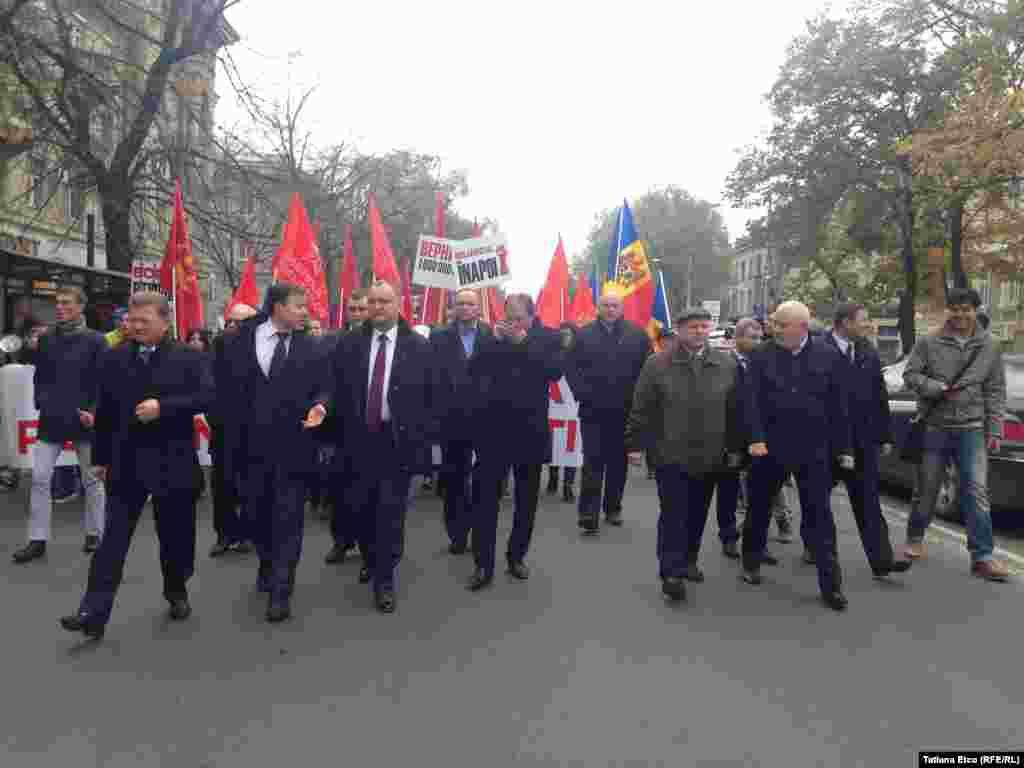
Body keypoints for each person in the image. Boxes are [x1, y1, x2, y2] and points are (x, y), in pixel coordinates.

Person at [59, 292, 213, 639]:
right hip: (126, 462)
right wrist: (100, 459)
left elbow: (207, 396)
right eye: (132, 321)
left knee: (175, 537)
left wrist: (165, 406)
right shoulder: (115, 358)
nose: (137, 327)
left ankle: (176, 589)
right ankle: (92, 612)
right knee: (111, 541)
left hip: (172, 462)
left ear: (165, 321)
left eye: (145, 321)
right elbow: (107, 411)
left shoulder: (189, 357)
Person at [220, 283, 331, 623]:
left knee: (288, 518)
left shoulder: (312, 347)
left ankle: (282, 587)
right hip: (249, 449)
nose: (304, 312)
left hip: (294, 448)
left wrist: (321, 407)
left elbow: (326, 387)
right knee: (256, 515)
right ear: (278, 307)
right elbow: (223, 390)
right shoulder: (238, 340)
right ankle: (267, 562)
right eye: (298, 306)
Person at [626, 307, 749, 601]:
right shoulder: (658, 364)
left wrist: (736, 449)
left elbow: (736, 411)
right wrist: (634, 445)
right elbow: (641, 406)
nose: (699, 332)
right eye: (693, 327)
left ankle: (688, 560)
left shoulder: (726, 364)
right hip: (670, 454)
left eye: (704, 327)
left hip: (712, 454)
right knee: (673, 514)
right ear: (679, 330)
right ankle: (670, 571)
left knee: (697, 513)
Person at [328, 281, 435, 613]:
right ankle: (371, 557)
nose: (378, 307)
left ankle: (384, 578)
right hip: (358, 440)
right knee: (362, 507)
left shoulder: (418, 347)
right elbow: (337, 391)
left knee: (390, 512)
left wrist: (423, 439)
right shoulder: (349, 344)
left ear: (398, 304)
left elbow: (431, 398)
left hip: (396, 442)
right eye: (372, 301)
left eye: (385, 301)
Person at [743, 300, 854, 612]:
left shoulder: (828, 356)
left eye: (780, 325)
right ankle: (751, 561)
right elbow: (749, 401)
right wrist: (755, 439)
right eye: (774, 324)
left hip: (813, 449)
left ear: (802, 328)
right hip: (770, 447)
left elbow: (839, 407)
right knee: (759, 507)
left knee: (819, 514)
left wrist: (844, 449)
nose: (773, 329)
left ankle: (831, 584)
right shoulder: (761, 355)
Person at [902, 288, 1010, 581]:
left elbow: (996, 390)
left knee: (976, 493)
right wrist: (933, 387)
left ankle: (982, 556)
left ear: (976, 310)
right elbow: (910, 375)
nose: (960, 315)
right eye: (955, 309)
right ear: (947, 310)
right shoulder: (928, 341)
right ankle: (914, 538)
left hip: (972, 428)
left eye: (966, 309)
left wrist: (996, 428)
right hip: (936, 426)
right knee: (927, 488)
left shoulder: (990, 346)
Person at [466, 293, 563, 591]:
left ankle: (516, 555)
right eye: (509, 317)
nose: (512, 323)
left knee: (526, 500)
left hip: (529, 432)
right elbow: (473, 370)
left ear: (531, 317)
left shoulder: (548, 337)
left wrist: (523, 342)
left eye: (518, 317)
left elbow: (553, 371)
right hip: (492, 430)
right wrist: (495, 341)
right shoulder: (490, 336)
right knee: (485, 499)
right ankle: (483, 563)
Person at [13, 286, 107, 564]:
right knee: (40, 479)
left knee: (92, 481)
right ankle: (37, 539)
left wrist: (92, 411)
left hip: (85, 420)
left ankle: (96, 533)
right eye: (58, 302)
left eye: (66, 302)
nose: (60, 307)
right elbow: (40, 376)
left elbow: (103, 382)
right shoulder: (47, 339)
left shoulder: (96, 341)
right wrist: (42, 400)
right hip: (51, 419)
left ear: (81, 306)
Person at [824, 303, 912, 580]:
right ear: (844, 322)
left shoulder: (866, 351)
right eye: (863, 320)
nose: (868, 324)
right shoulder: (817, 350)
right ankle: (818, 550)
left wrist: (884, 435)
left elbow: (879, 396)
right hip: (826, 441)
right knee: (817, 501)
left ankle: (882, 560)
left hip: (863, 440)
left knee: (868, 501)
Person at [567, 288, 650, 534]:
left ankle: (613, 508)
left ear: (621, 309)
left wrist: (641, 402)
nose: (610, 310)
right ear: (598, 307)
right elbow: (570, 367)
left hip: (626, 411)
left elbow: (648, 370)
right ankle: (588, 514)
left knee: (618, 463)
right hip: (593, 410)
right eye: (606, 305)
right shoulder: (583, 335)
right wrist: (582, 393)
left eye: (615, 305)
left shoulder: (637, 336)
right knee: (593, 461)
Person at [430, 288, 495, 554]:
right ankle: (457, 533)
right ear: (453, 308)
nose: (466, 308)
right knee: (454, 479)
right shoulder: (439, 337)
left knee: (483, 479)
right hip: (451, 420)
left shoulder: (491, 335)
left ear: (478, 308)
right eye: (461, 304)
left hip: (483, 419)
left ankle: (479, 530)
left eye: (471, 303)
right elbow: (432, 376)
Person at [324, 289, 370, 564]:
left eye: (361, 309)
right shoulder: (333, 341)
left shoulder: (381, 342)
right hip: (341, 429)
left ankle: (369, 550)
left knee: (367, 495)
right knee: (340, 492)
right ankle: (341, 541)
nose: (356, 314)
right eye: (352, 309)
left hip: (372, 428)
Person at [207, 303, 258, 557]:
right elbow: (209, 382)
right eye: (232, 322)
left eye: (242, 322)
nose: (235, 327)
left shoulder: (260, 345)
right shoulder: (219, 344)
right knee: (222, 483)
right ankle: (225, 534)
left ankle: (249, 532)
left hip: (252, 428)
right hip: (224, 427)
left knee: (250, 483)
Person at [546, 322, 579, 503]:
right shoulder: (551, 354)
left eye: (569, 334)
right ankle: (553, 476)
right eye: (562, 334)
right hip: (553, 407)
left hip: (573, 408)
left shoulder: (580, 356)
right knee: (554, 444)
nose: (566, 338)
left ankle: (568, 485)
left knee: (571, 447)